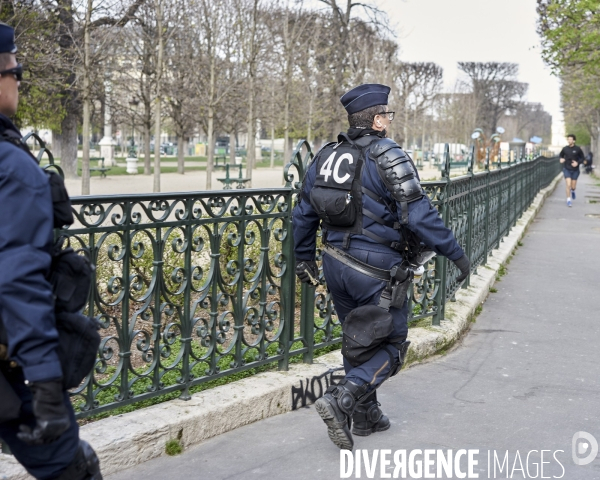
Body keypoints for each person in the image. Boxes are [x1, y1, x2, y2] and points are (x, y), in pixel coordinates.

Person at [292, 83, 469, 450]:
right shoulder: (388, 153)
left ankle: (365, 416)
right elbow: (419, 213)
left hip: (335, 264)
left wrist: (303, 258)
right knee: (393, 344)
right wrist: (455, 252)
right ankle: (342, 399)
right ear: (376, 120)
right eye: (387, 114)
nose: (389, 120)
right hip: (376, 268)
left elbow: (303, 213)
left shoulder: (326, 155)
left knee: (357, 339)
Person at [0, 23, 102, 479]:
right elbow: (18, 278)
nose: (19, 83)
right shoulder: (11, 168)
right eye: (15, 72)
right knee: (71, 469)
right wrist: (43, 382)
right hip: (12, 364)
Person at [559, 134, 584, 207]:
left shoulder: (578, 149)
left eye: (570, 139)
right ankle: (568, 200)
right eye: (568, 139)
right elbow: (561, 155)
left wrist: (577, 163)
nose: (569, 141)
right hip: (567, 168)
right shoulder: (565, 149)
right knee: (568, 184)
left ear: (574, 140)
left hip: (575, 170)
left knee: (573, 186)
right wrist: (561, 159)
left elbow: (582, 158)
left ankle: (573, 190)